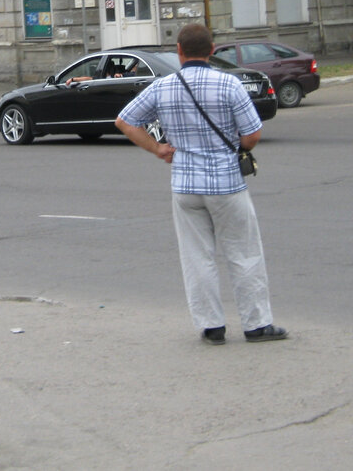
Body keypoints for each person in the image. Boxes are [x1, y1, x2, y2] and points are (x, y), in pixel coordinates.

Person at [115, 23, 287, 345]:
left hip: (184, 186)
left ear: (179, 51)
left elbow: (124, 121)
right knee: (244, 253)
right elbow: (252, 136)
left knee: (197, 256)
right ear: (212, 50)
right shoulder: (229, 84)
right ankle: (257, 325)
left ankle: (212, 327)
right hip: (226, 185)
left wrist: (158, 149)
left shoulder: (162, 87)